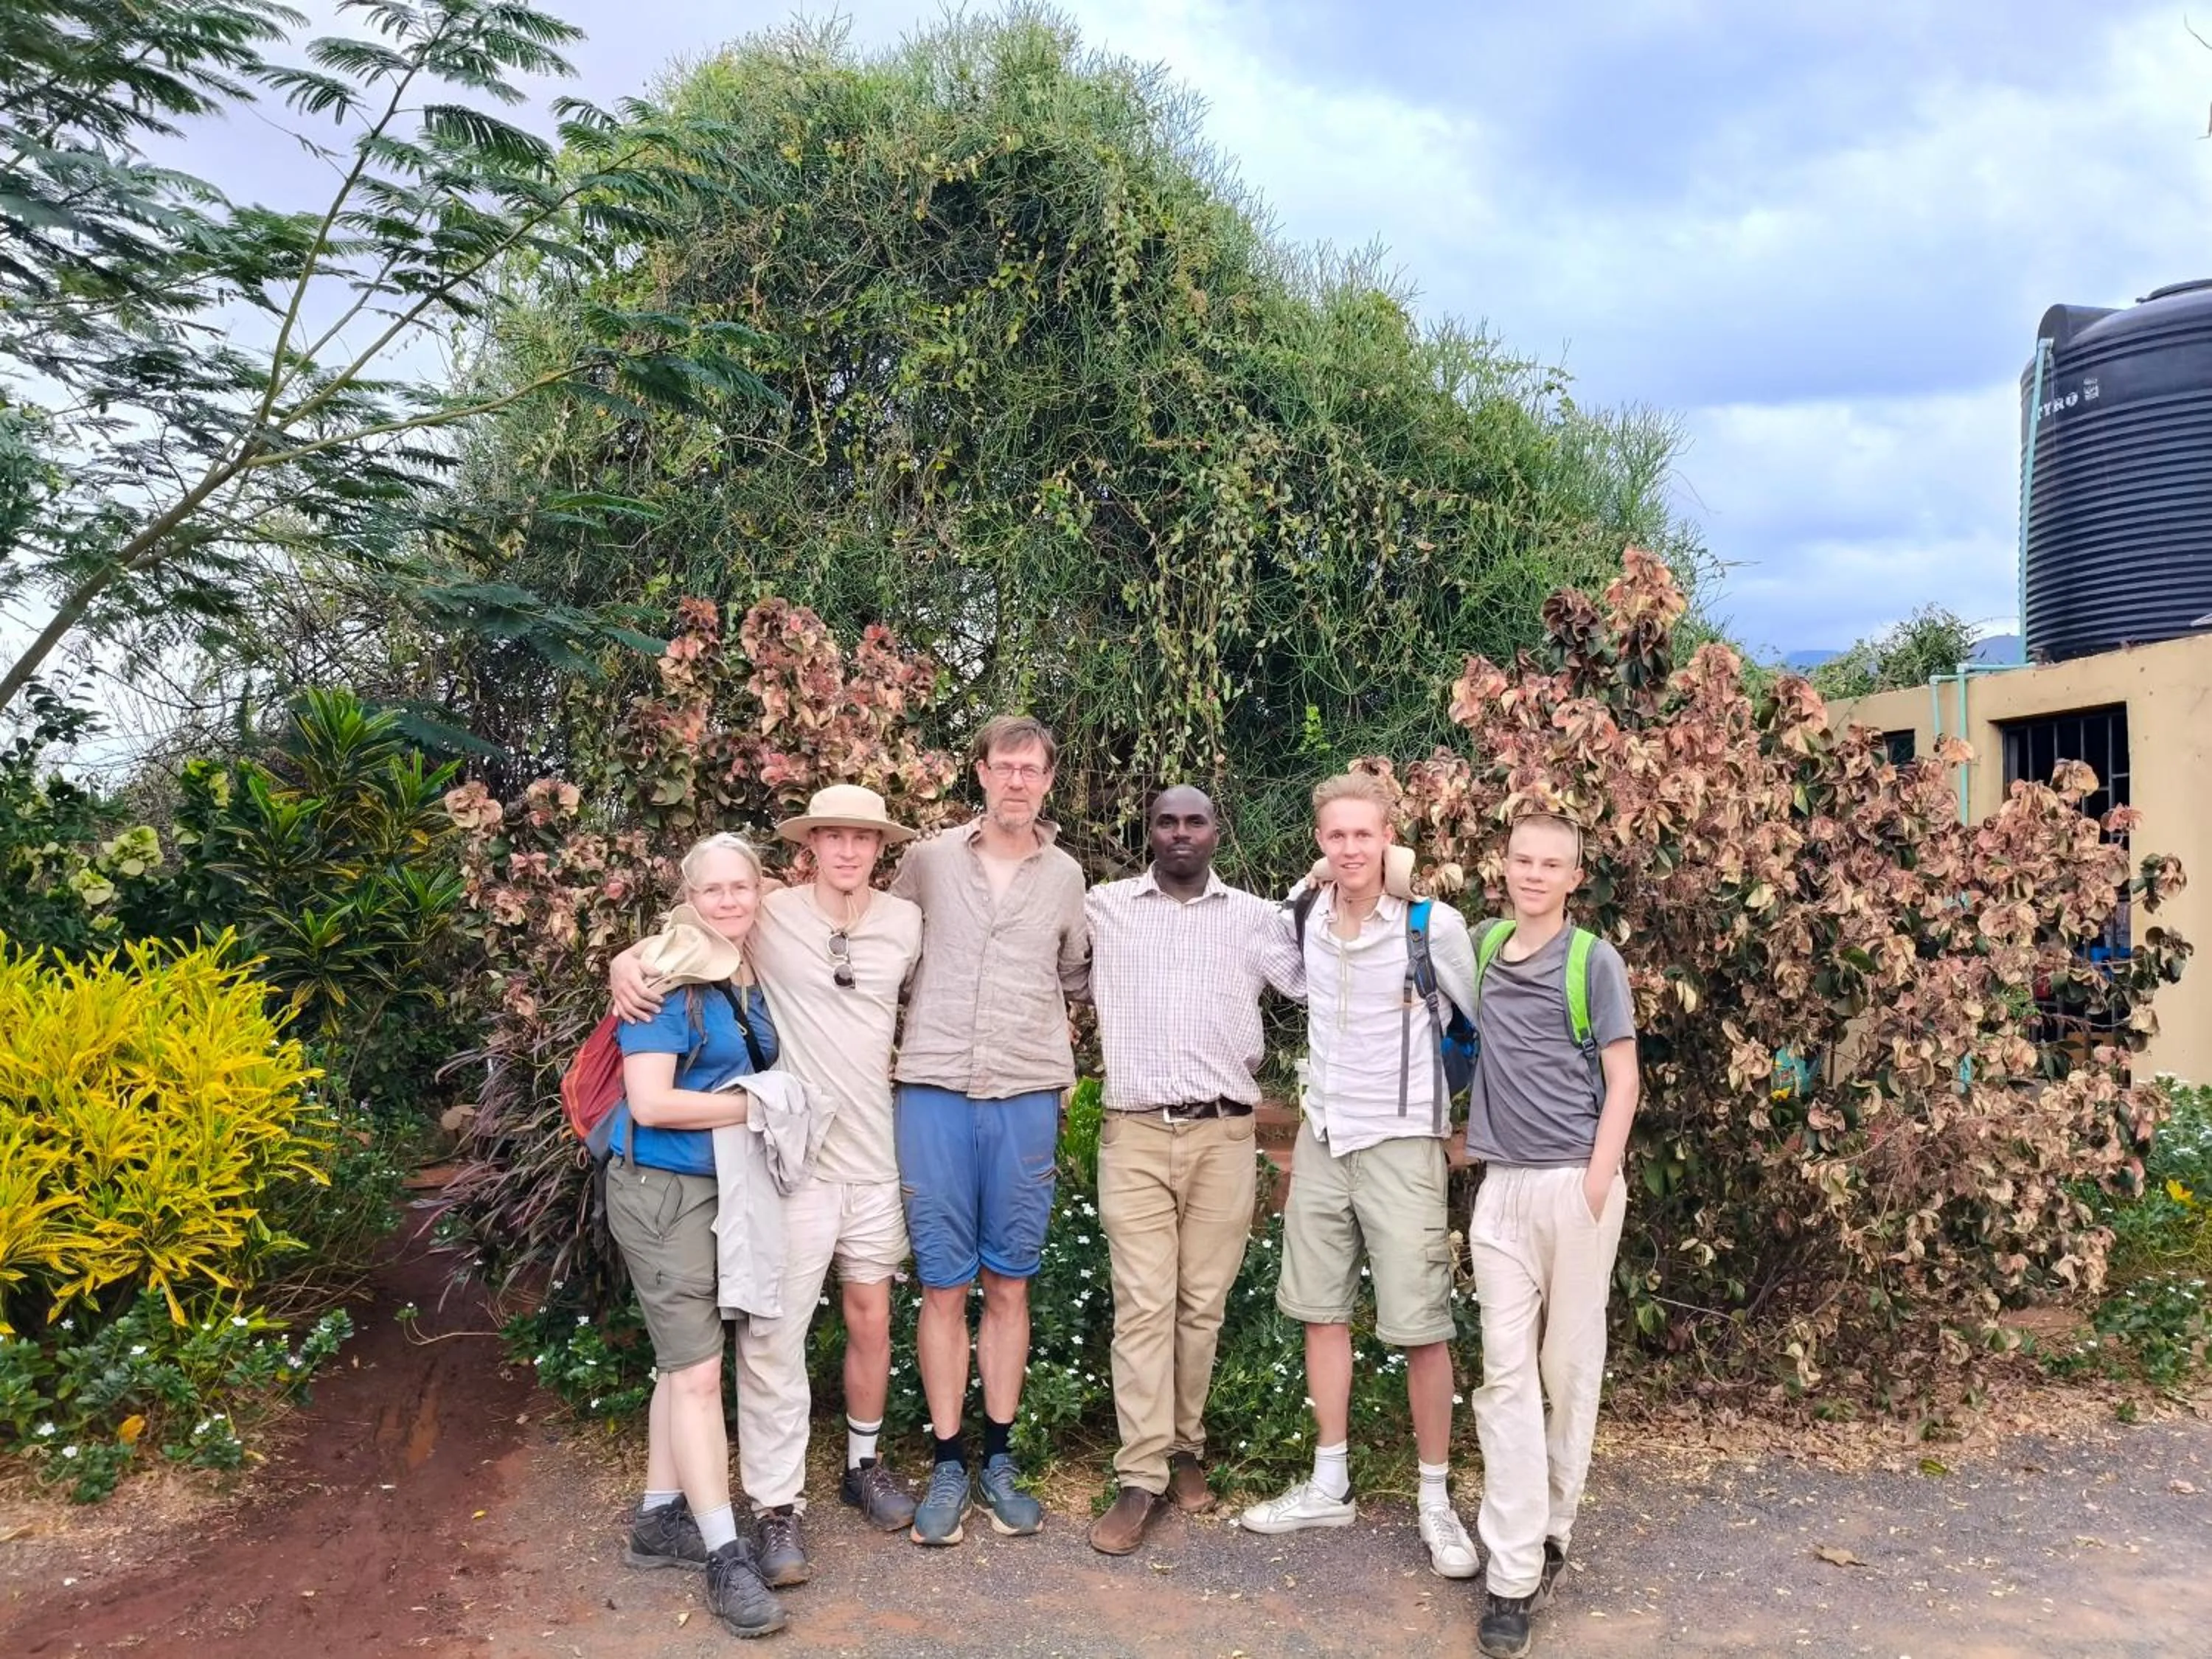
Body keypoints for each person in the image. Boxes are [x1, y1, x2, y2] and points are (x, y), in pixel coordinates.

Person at [609, 786, 927, 1587]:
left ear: (880, 847)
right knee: (771, 1339)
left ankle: (863, 1463)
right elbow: (683, 931)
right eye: (834, 837)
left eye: (864, 838)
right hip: (792, 1166)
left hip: (875, 1159)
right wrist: (626, 962)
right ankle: (777, 1506)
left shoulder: (905, 923)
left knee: (871, 1314)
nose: (849, 851)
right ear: (809, 845)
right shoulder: (769, 912)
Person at [1238, 772, 1482, 1583]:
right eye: (1335, 836)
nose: (1349, 849)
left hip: (1404, 1142)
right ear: (1321, 842)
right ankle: (1329, 1482)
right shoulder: (1308, 918)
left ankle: (1436, 1500)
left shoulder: (1431, 926)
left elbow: (1482, 1016)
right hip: (1325, 1135)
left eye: (1363, 835)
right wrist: (1298, 891)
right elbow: (1271, 961)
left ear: (1389, 838)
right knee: (1321, 1315)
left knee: (1422, 1327)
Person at [1080, 785, 1304, 1555]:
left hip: (1224, 1136)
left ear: (1216, 831)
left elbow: (1319, 981)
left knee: (1200, 1304)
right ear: (1148, 830)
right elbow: (1059, 976)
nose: (1179, 833)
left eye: (1195, 821)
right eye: (1166, 821)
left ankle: (1184, 1448)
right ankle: (1141, 1475)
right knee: (1143, 1302)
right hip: (1136, 1134)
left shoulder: (1254, 919)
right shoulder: (1102, 908)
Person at [891, 714, 1089, 1546]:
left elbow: (1076, 974)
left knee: (1009, 1283)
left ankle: (999, 1459)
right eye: (1003, 765)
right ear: (979, 773)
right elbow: (878, 948)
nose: (1016, 780)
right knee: (944, 1284)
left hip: (1025, 1094)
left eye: (1031, 769)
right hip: (932, 1087)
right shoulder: (928, 862)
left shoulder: (1067, 875)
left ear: (1048, 780)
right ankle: (946, 1461)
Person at [1464, 813, 1639, 1659]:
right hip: (1499, 1192)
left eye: (1552, 865)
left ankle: (1553, 1524)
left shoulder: (1591, 962)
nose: (1534, 874)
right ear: (1504, 866)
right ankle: (1512, 1574)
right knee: (1504, 1379)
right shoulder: (1484, 947)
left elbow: (1624, 1076)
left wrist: (1598, 1181)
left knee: (1567, 1372)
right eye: (1522, 860)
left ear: (1575, 877)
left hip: (1575, 1188)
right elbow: (1396, 904)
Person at [605, 832, 787, 1641]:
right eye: (711, 891)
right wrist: (764, 1108)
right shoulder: (662, 977)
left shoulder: (746, 965)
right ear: (688, 895)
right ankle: (723, 1553)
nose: (728, 903)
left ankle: (657, 1519)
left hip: (720, 1188)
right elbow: (650, 1103)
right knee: (698, 1374)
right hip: (660, 1190)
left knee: (684, 1364)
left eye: (740, 888)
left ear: (759, 891)